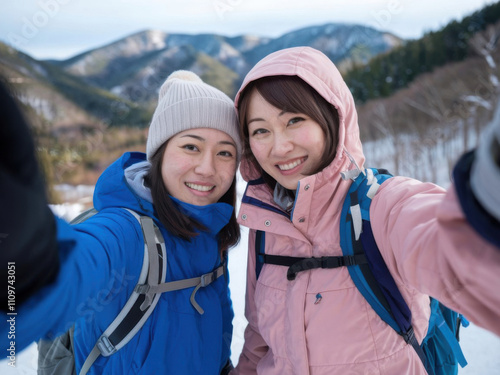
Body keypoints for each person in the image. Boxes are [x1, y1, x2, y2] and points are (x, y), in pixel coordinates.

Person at [231, 46, 500, 374]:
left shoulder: (383, 207)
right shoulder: (266, 225)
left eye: (294, 120)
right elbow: (260, 338)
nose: (279, 146)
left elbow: (458, 257)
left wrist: (489, 191)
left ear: (332, 118)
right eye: (260, 130)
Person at [0, 70, 242, 374]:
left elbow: (220, 326)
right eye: (191, 146)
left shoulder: (212, 231)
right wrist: (20, 259)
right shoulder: (126, 232)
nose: (207, 168)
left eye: (224, 152)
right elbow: (69, 270)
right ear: (160, 153)